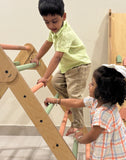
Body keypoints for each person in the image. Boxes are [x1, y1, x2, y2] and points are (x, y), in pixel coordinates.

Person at [44, 64, 126, 160]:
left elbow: (92, 136)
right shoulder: (96, 101)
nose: (89, 85)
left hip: (114, 151)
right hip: (112, 143)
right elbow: (77, 102)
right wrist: (57, 101)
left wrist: (80, 139)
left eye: (93, 84)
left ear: (103, 91)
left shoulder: (103, 113)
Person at [31, 0, 91, 135]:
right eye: (46, 22)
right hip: (68, 67)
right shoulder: (55, 31)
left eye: (54, 21)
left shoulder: (65, 34)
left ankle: (77, 125)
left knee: (75, 95)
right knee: (56, 82)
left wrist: (44, 77)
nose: (51, 25)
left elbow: (57, 57)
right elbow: (47, 43)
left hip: (79, 66)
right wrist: (37, 57)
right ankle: (69, 104)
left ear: (64, 16)